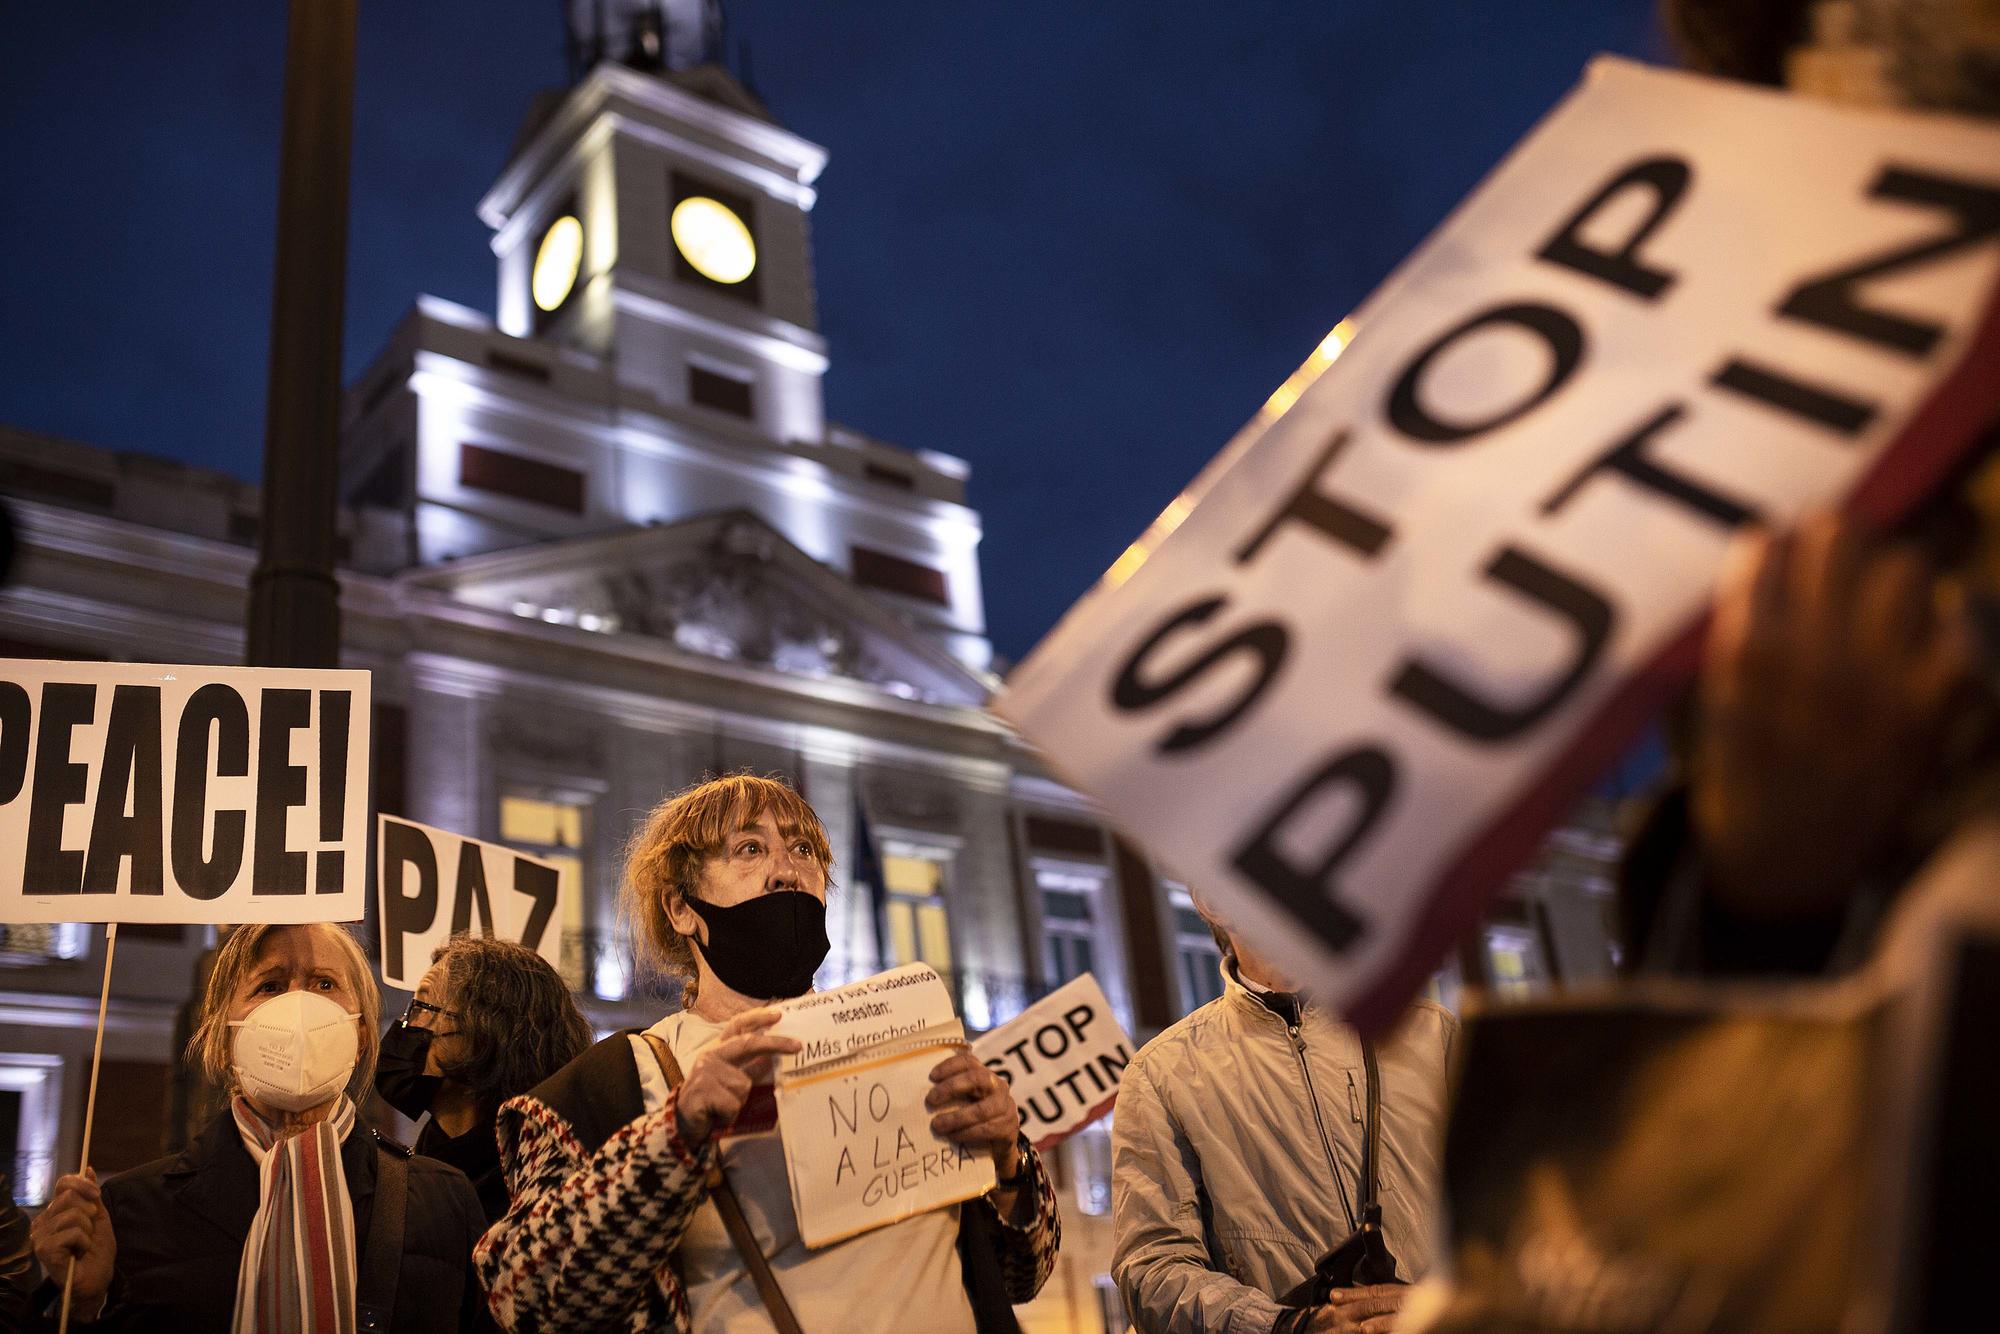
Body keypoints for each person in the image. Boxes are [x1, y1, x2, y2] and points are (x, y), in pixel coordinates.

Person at [475, 773, 1061, 1332]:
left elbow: (1022, 1275)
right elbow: (523, 1298)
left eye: (804, 850)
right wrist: (675, 1135)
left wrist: (1009, 1164)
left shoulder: (904, 1043)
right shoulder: (610, 1086)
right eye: (749, 849)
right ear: (681, 909)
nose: (786, 871)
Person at [28, 922, 488, 1332]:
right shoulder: (129, 1211)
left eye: (325, 983)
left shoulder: (443, 1198)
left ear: (363, 1030)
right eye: (269, 986)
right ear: (224, 1034)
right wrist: (83, 1307)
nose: (298, 1007)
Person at [1113, 901, 1455, 1334]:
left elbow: (1511, 1211)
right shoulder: (1160, 1075)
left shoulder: (1431, 1033)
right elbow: (1153, 1272)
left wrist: (1449, 1304)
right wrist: (1287, 1327)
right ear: (1212, 902)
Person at [374, 935, 594, 1224]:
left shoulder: (548, 1197)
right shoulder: (404, 1178)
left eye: (421, 1008)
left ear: (484, 1030)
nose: (406, 1026)